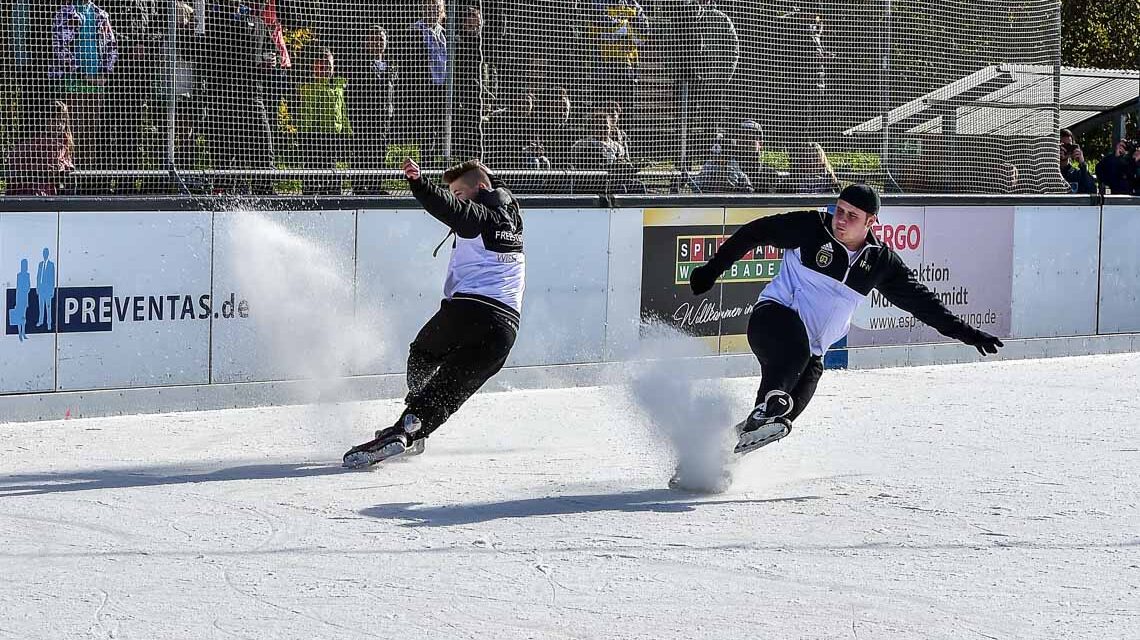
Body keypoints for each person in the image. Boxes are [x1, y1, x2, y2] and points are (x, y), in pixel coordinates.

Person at [683, 184, 1004, 463]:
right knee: (787, 372)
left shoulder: (880, 262)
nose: (841, 220)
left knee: (783, 418)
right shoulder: (812, 227)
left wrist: (968, 334)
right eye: (840, 210)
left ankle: (711, 458)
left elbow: (923, 304)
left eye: (852, 216)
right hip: (773, 320)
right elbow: (754, 232)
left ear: (871, 222)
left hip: (811, 354)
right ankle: (764, 410)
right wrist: (711, 271)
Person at [343, 158, 525, 468]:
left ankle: (412, 412)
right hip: (505, 331)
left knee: (422, 355)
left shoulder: (478, 217)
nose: (455, 198)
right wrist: (484, 175)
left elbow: (448, 208)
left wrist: (418, 183)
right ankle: (407, 429)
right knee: (448, 392)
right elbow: (491, 189)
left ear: (479, 190)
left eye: (458, 192)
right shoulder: (513, 218)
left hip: (468, 311)